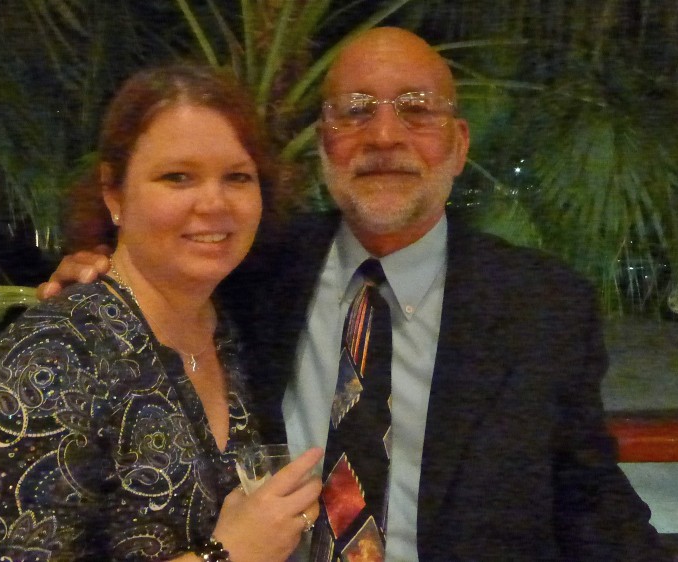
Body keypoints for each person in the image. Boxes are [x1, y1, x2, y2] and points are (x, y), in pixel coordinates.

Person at [37, 28, 672, 561]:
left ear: (459, 144)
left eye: (417, 108)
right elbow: (156, 285)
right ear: (323, 143)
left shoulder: (542, 306)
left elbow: (588, 495)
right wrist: (99, 274)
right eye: (356, 110)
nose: (384, 136)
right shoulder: (250, 273)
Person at [0, 63, 323, 562]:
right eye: (177, 177)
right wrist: (224, 556)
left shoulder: (236, 326)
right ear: (113, 192)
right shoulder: (54, 356)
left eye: (238, 177)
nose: (214, 202)